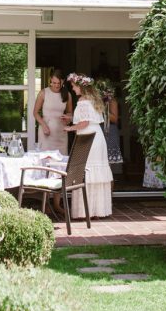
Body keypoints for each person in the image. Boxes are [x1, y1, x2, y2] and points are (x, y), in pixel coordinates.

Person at [62, 73, 113, 218]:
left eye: (73, 86)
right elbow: (88, 118)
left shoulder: (83, 101)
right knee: (94, 172)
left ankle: (87, 211)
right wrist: (71, 118)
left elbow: (84, 123)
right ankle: (98, 210)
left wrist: (69, 128)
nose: (73, 88)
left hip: (87, 139)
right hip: (97, 137)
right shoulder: (92, 100)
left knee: (86, 171)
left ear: (80, 86)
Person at [34, 70, 72, 154]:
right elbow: (35, 113)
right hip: (46, 133)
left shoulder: (67, 95)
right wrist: (43, 125)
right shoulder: (43, 93)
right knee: (45, 158)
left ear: (63, 81)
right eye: (54, 83)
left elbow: (70, 113)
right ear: (50, 80)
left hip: (61, 133)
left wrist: (68, 118)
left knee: (61, 160)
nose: (57, 85)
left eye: (59, 83)